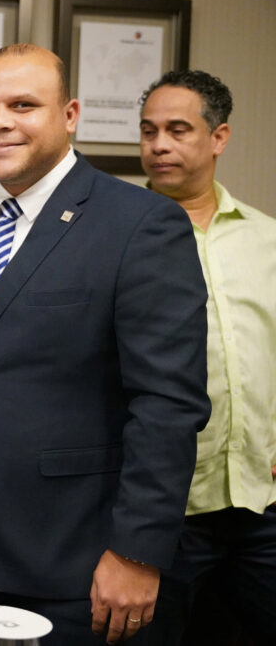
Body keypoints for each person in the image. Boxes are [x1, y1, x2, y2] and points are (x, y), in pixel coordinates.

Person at [0, 43, 210, 645]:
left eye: (23, 105)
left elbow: (168, 403)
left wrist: (136, 551)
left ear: (71, 114)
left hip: (76, 557)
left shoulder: (140, 223)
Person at [139, 70, 276, 644]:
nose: (159, 145)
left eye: (177, 130)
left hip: (261, 501)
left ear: (219, 137)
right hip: (164, 510)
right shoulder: (120, 236)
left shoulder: (266, 238)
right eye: (148, 131)